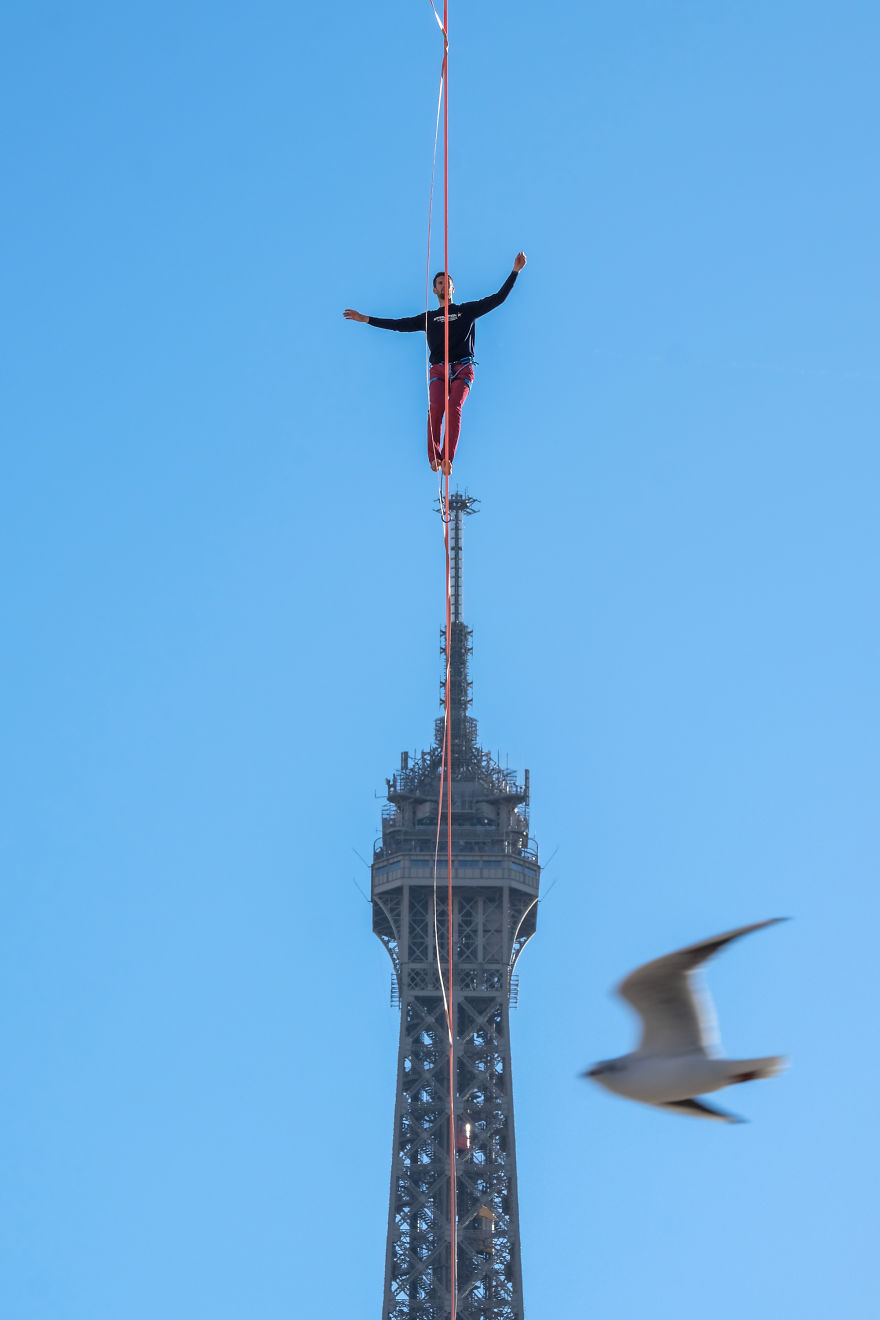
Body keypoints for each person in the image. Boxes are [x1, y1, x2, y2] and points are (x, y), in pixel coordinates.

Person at [343, 252, 526, 473]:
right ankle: (435, 458)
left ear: (452, 289)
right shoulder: (428, 318)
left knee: (453, 406)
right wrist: (367, 319)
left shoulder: (466, 311)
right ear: (434, 290)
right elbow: (398, 324)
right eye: (439, 283)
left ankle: (448, 458)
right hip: (438, 370)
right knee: (436, 407)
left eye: (447, 283)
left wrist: (515, 271)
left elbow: (498, 298)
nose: (443, 285)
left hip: (463, 367)